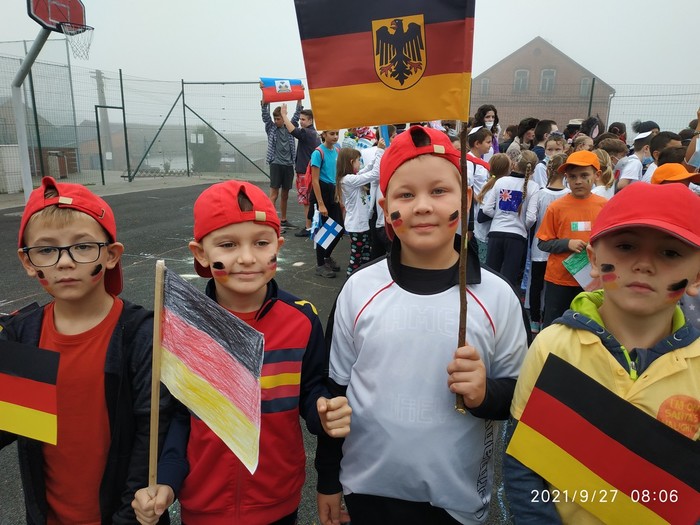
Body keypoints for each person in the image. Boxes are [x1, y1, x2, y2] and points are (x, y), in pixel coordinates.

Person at [315, 125, 529, 525]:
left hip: (456, 502)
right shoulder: (359, 289)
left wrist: (485, 393)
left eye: (439, 191)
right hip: (367, 491)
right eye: (406, 195)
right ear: (385, 207)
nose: (423, 206)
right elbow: (335, 392)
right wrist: (327, 478)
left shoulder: (498, 297)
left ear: (466, 199)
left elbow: (522, 395)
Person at [131, 180, 351, 525]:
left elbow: (311, 390)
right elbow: (179, 418)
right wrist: (167, 483)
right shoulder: (182, 327)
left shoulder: (302, 320)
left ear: (277, 246)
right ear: (200, 253)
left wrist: (322, 411)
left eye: (261, 243)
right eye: (228, 244)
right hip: (203, 506)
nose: (247, 258)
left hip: (277, 501)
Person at [505, 182, 700, 524]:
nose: (644, 264)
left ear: (697, 276)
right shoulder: (552, 346)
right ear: (594, 260)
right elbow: (522, 462)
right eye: (626, 246)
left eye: (670, 253)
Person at [0, 176, 173, 524]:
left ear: (111, 255)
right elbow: (16, 426)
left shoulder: (141, 334)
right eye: (46, 250)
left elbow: (150, 437)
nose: (64, 262)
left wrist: (126, 518)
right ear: (28, 262)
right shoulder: (24, 334)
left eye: (82, 247)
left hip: (126, 517)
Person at [536, 151, 607, 326]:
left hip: (592, 280)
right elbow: (543, 243)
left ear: (597, 175)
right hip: (559, 279)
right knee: (556, 324)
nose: (578, 181)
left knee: (589, 325)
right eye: (572, 176)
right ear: (566, 177)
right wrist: (567, 243)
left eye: (584, 175)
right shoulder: (556, 207)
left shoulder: (604, 206)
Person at [482, 150, 540, 288]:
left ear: (515, 164)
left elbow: (486, 209)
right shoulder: (533, 186)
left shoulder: (501, 181)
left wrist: (499, 216)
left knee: (490, 276)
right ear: (533, 170)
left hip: (496, 233)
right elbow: (531, 218)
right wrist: (522, 225)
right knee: (509, 279)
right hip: (516, 237)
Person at [528, 153, 569, 334]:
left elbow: (530, 218)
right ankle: (551, 320)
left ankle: (534, 319)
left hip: (539, 246)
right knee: (554, 287)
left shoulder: (539, 194)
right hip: (561, 247)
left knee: (536, 285)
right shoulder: (568, 195)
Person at [336, 142, 385, 276]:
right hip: (356, 226)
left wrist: (378, 154)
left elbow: (368, 169)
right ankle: (350, 278)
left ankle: (362, 277)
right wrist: (380, 151)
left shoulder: (352, 178)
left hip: (361, 225)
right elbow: (375, 174)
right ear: (351, 162)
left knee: (365, 255)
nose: (360, 164)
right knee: (356, 257)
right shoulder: (348, 180)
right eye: (358, 161)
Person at [281, 102, 321, 237]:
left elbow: (293, 130)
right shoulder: (314, 134)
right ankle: (312, 226)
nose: (301, 122)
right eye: (300, 119)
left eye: (303, 119)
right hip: (309, 171)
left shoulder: (307, 133)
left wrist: (284, 116)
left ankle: (308, 227)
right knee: (310, 200)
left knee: (306, 201)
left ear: (310, 120)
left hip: (305, 172)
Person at [309, 130, 344, 278]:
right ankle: (320, 265)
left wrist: (339, 195)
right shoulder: (318, 153)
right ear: (324, 135)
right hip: (322, 193)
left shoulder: (337, 151)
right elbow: (315, 180)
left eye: (337, 133)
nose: (335, 136)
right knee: (325, 230)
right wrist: (321, 204)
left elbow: (338, 175)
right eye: (332, 134)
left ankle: (326, 256)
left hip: (333, 193)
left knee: (339, 228)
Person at [261, 99, 300, 228]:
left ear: (284, 118)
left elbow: (297, 114)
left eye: (279, 119)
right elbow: (265, 116)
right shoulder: (271, 128)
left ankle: (283, 220)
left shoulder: (290, 127)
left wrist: (299, 99)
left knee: (285, 194)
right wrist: (264, 99)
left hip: (288, 165)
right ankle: (271, 221)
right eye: (275, 119)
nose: (276, 121)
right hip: (276, 164)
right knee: (274, 194)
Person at [474, 153, 511, 264]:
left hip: (481, 233)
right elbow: (482, 216)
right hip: (485, 235)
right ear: (507, 170)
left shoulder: (489, 183)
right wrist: (501, 214)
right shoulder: (494, 187)